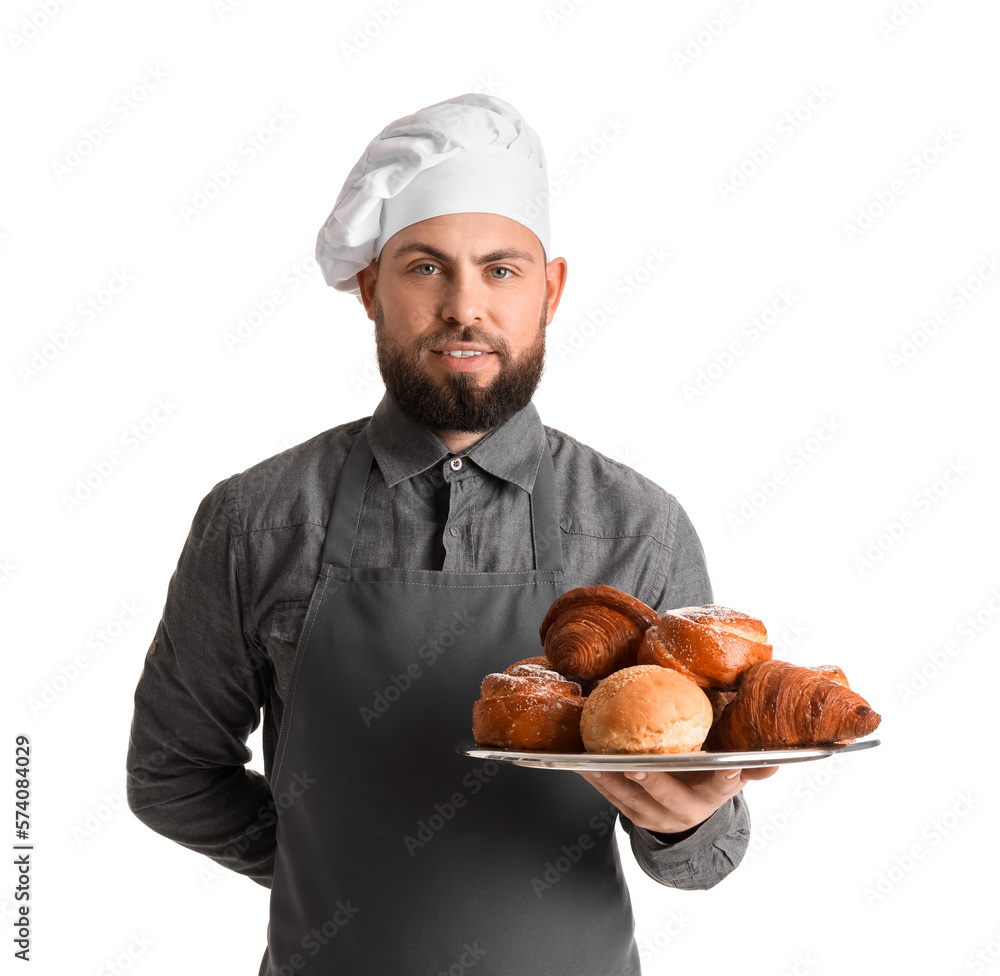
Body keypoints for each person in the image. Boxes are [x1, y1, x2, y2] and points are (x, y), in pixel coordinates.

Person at [126, 93, 774, 976]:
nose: (465, 307)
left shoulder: (637, 526)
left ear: (551, 290)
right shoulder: (259, 518)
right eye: (426, 267)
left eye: (501, 270)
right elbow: (170, 773)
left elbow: (710, 855)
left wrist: (689, 822)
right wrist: (326, 873)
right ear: (369, 289)